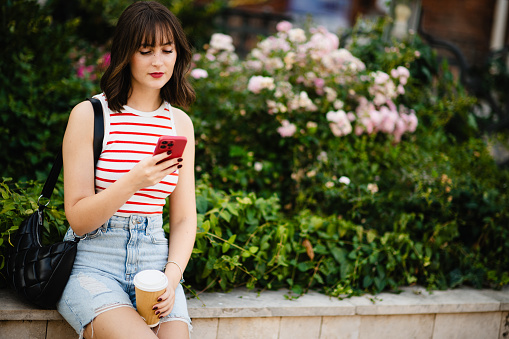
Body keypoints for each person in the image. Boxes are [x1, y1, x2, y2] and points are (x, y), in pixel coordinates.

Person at [57, 2, 196, 338]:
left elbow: (182, 218)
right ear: (125, 54)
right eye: (146, 51)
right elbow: (78, 218)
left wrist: (172, 277)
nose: (158, 61)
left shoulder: (179, 124)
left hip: (156, 267)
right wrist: (135, 180)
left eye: (167, 49)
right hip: (92, 264)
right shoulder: (90, 115)